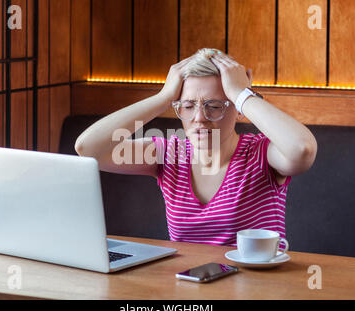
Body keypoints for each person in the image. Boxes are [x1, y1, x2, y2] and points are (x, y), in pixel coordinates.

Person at [75, 48, 317, 248]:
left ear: (236, 108)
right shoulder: (169, 155)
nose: (199, 118)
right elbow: (88, 148)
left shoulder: (261, 154)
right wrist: (163, 98)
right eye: (188, 106)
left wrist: (241, 94)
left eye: (214, 105)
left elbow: (302, 149)